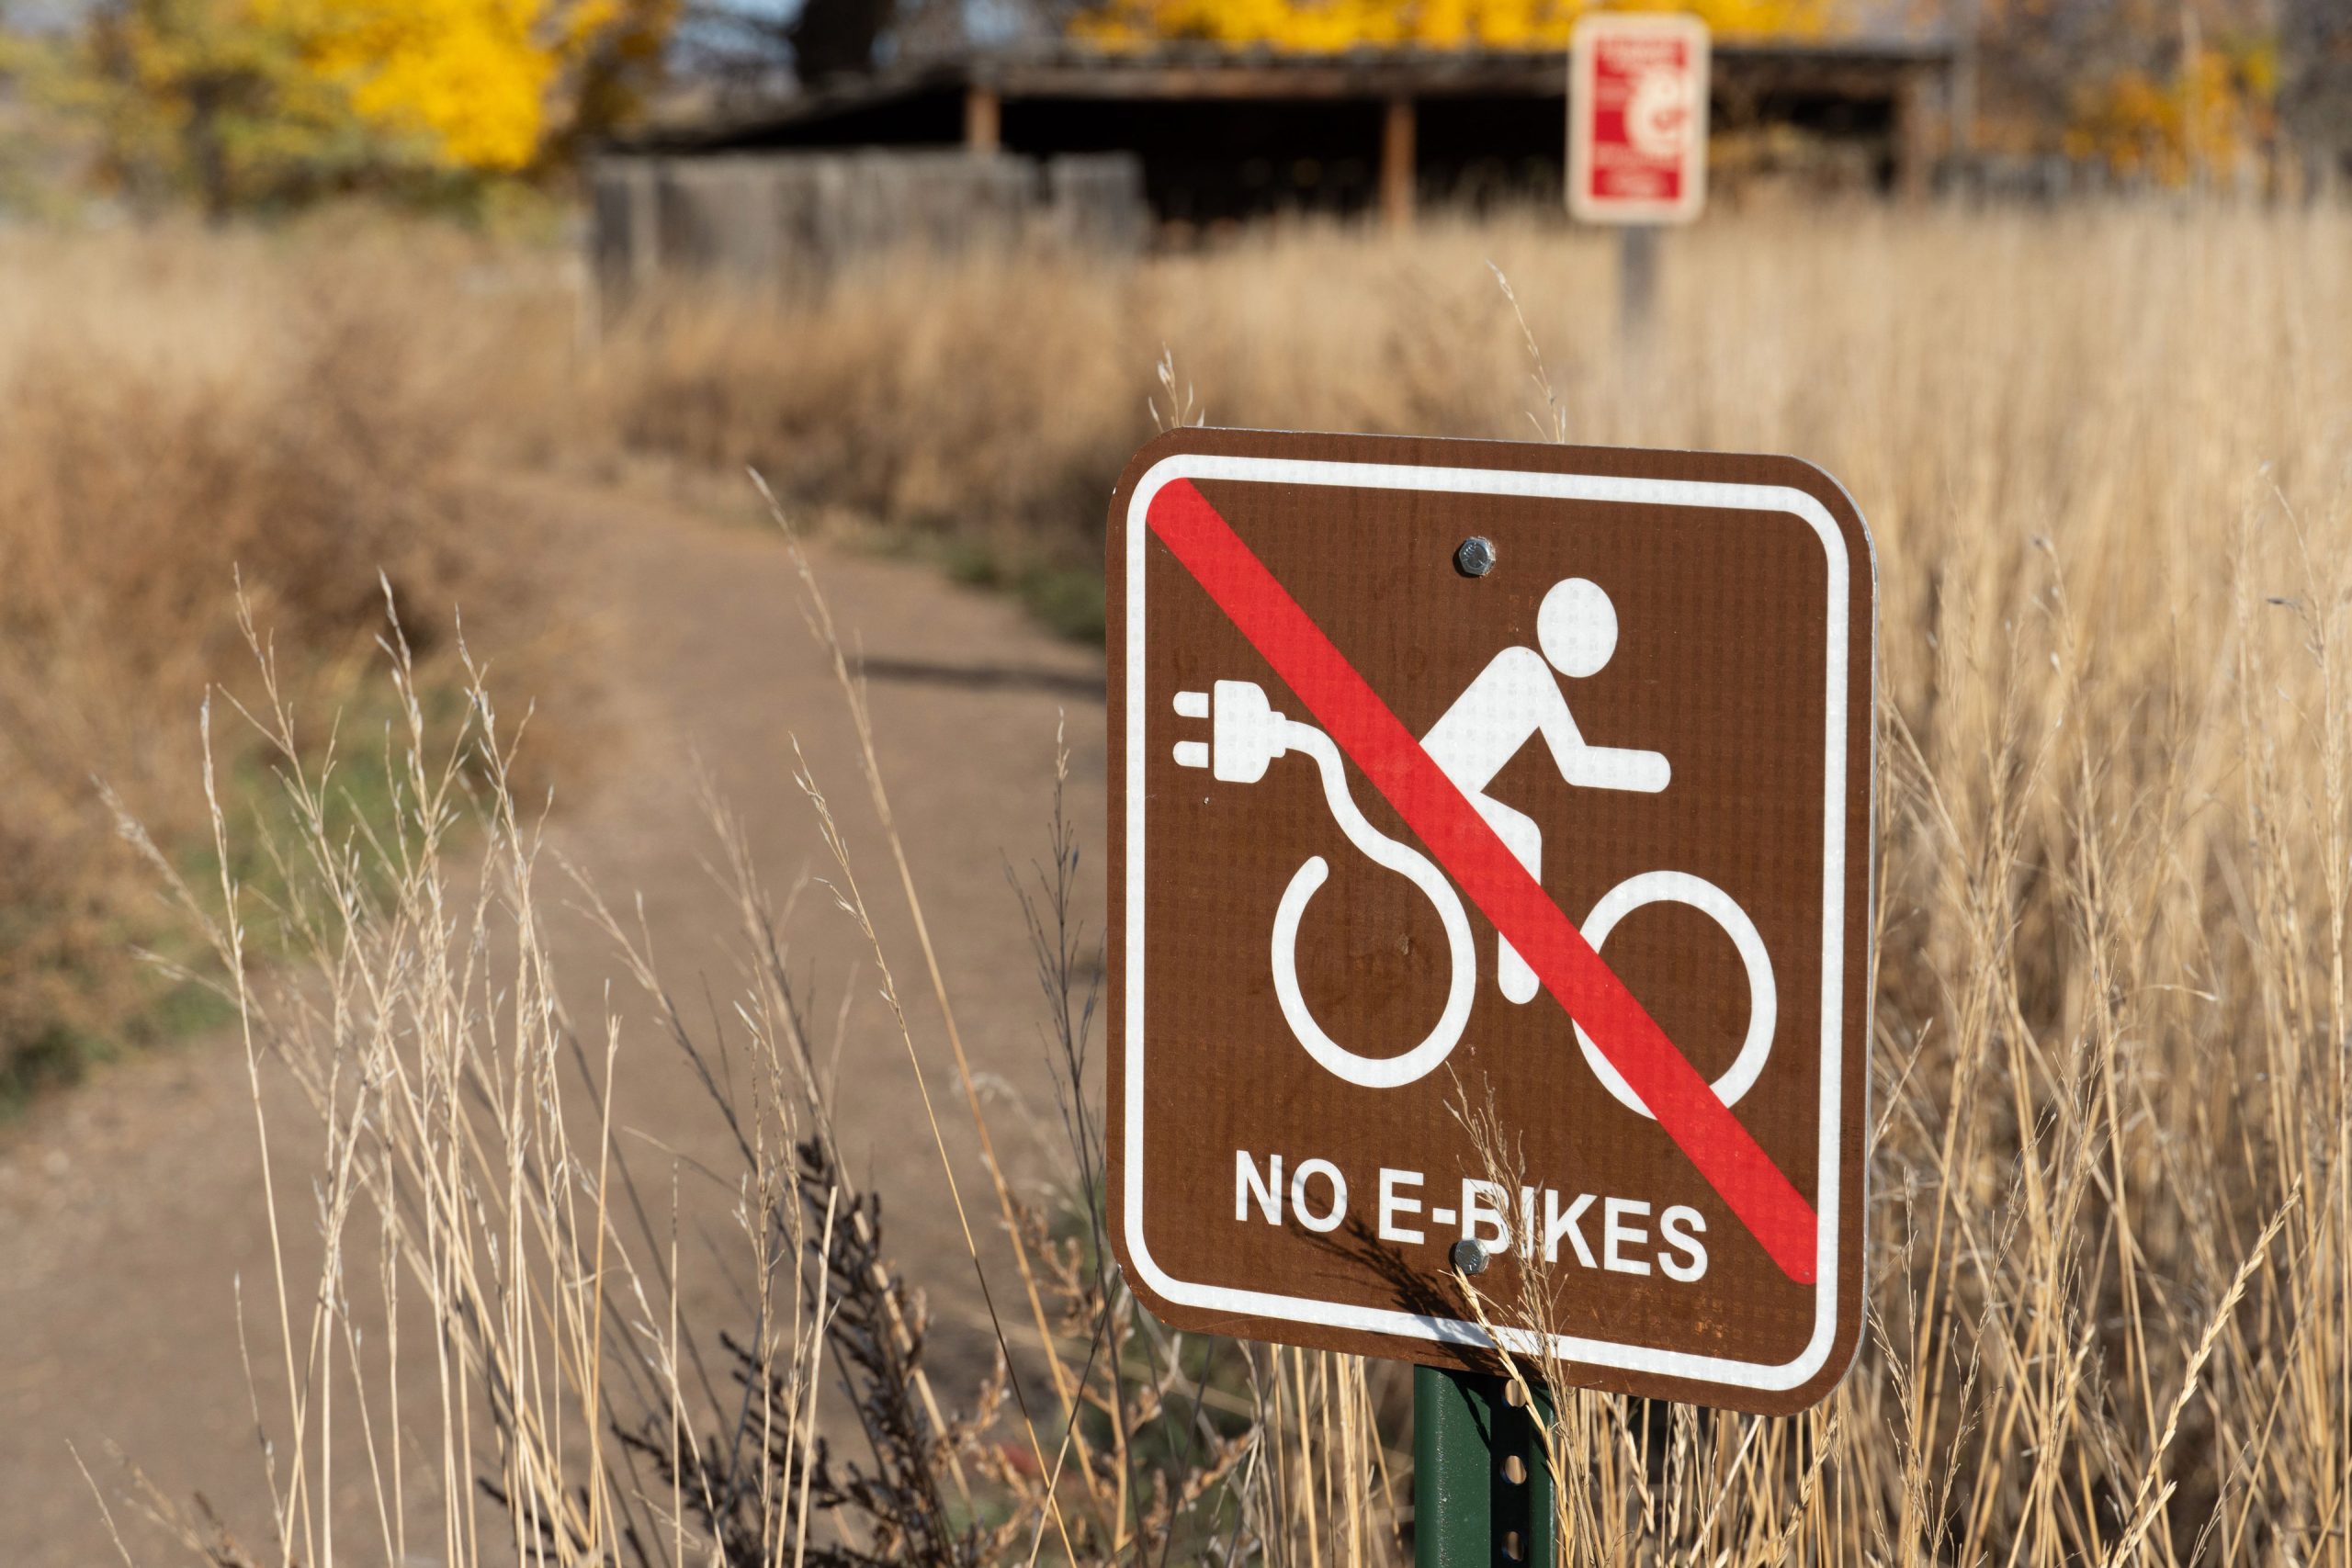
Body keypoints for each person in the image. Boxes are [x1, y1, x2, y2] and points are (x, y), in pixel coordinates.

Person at [1420, 577, 1669, 1003]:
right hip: (1432, 789)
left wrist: (1647, 771)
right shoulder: (1525, 669)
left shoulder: (1527, 667)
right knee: (1523, 835)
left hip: (1440, 785)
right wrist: (1649, 771)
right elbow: (1575, 764)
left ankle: (1519, 973)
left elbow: (1573, 761)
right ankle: (1518, 980)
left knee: (1522, 833)